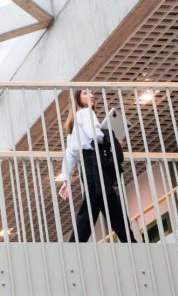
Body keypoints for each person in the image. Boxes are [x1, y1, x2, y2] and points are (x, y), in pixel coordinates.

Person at [58, 89, 137, 242]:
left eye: (92, 93)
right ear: (77, 99)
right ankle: (74, 245)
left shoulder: (74, 124)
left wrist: (66, 180)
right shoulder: (86, 113)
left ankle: (130, 242)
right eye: (86, 93)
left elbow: (70, 154)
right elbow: (95, 135)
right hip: (94, 165)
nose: (92, 95)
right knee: (92, 208)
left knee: (112, 206)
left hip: (89, 165)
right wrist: (112, 140)